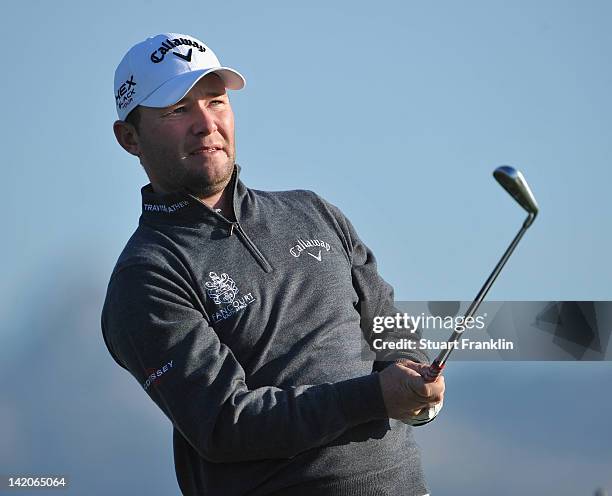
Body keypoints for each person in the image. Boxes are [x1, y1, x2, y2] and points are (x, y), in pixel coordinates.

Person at [102, 32, 445, 496]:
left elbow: (387, 325)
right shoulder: (146, 276)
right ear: (129, 138)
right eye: (177, 110)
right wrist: (375, 396)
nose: (206, 124)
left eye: (216, 101)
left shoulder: (313, 211)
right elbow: (226, 424)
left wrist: (417, 382)